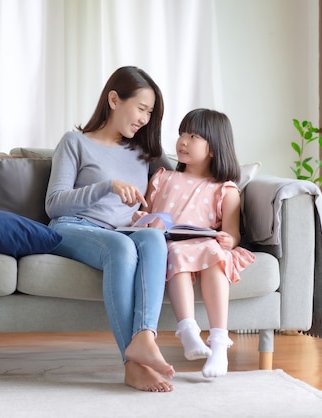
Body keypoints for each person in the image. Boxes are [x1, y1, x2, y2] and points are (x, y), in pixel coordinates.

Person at [45, 66, 175, 392]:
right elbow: (54, 204)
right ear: (114, 99)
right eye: (142, 108)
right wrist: (107, 187)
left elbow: (186, 183)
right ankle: (132, 363)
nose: (145, 119)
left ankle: (145, 335)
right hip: (72, 227)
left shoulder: (143, 153)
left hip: (121, 231)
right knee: (121, 248)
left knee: (153, 238)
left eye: (151, 113)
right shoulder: (74, 142)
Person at [133, 108, 255, 378]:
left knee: (215, 254)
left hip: (204, 244)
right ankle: (188, 331)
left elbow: (233, 234)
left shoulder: (225, 189)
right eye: (181, 134)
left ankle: (219, 343)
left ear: (213, 148)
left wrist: (228, 239)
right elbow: (147, 213)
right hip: (171, 244)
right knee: (175, 252)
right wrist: (142, 217)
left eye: (193, 136)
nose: (183, 142)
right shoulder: (163, 178)